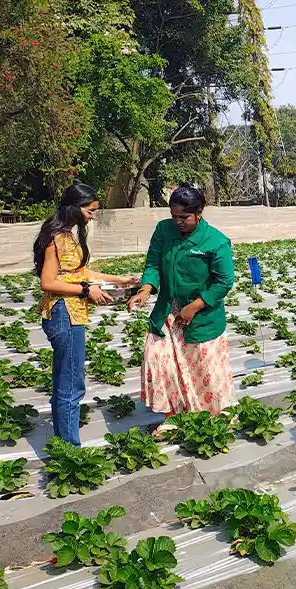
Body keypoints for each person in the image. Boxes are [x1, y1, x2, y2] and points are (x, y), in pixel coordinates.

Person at [34, 183, 138, 446]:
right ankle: (70, 450)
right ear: (74, 208)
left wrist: (120, 280)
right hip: (63, 314)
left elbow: (81, 272)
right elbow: (47, 282)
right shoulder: (56, 238)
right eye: (90, 211)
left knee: (66, 380)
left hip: (72, 314)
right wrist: (84, 291)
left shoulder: (69, 235)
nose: (92, 216)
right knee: (71, 384)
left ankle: (63, 441)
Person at [127, 184, 235, 432]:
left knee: (202, 369)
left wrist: (194, 307)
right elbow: (153, 264)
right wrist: (145, 291)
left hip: (202, 315)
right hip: (167, 310)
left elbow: (223, 281)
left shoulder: (215, 242)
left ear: (199, 213)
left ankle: (210, 421)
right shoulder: (164, 231)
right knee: (159, 360)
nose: (178, 221)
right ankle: (173, 415)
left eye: (184, 217)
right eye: (174, 216)